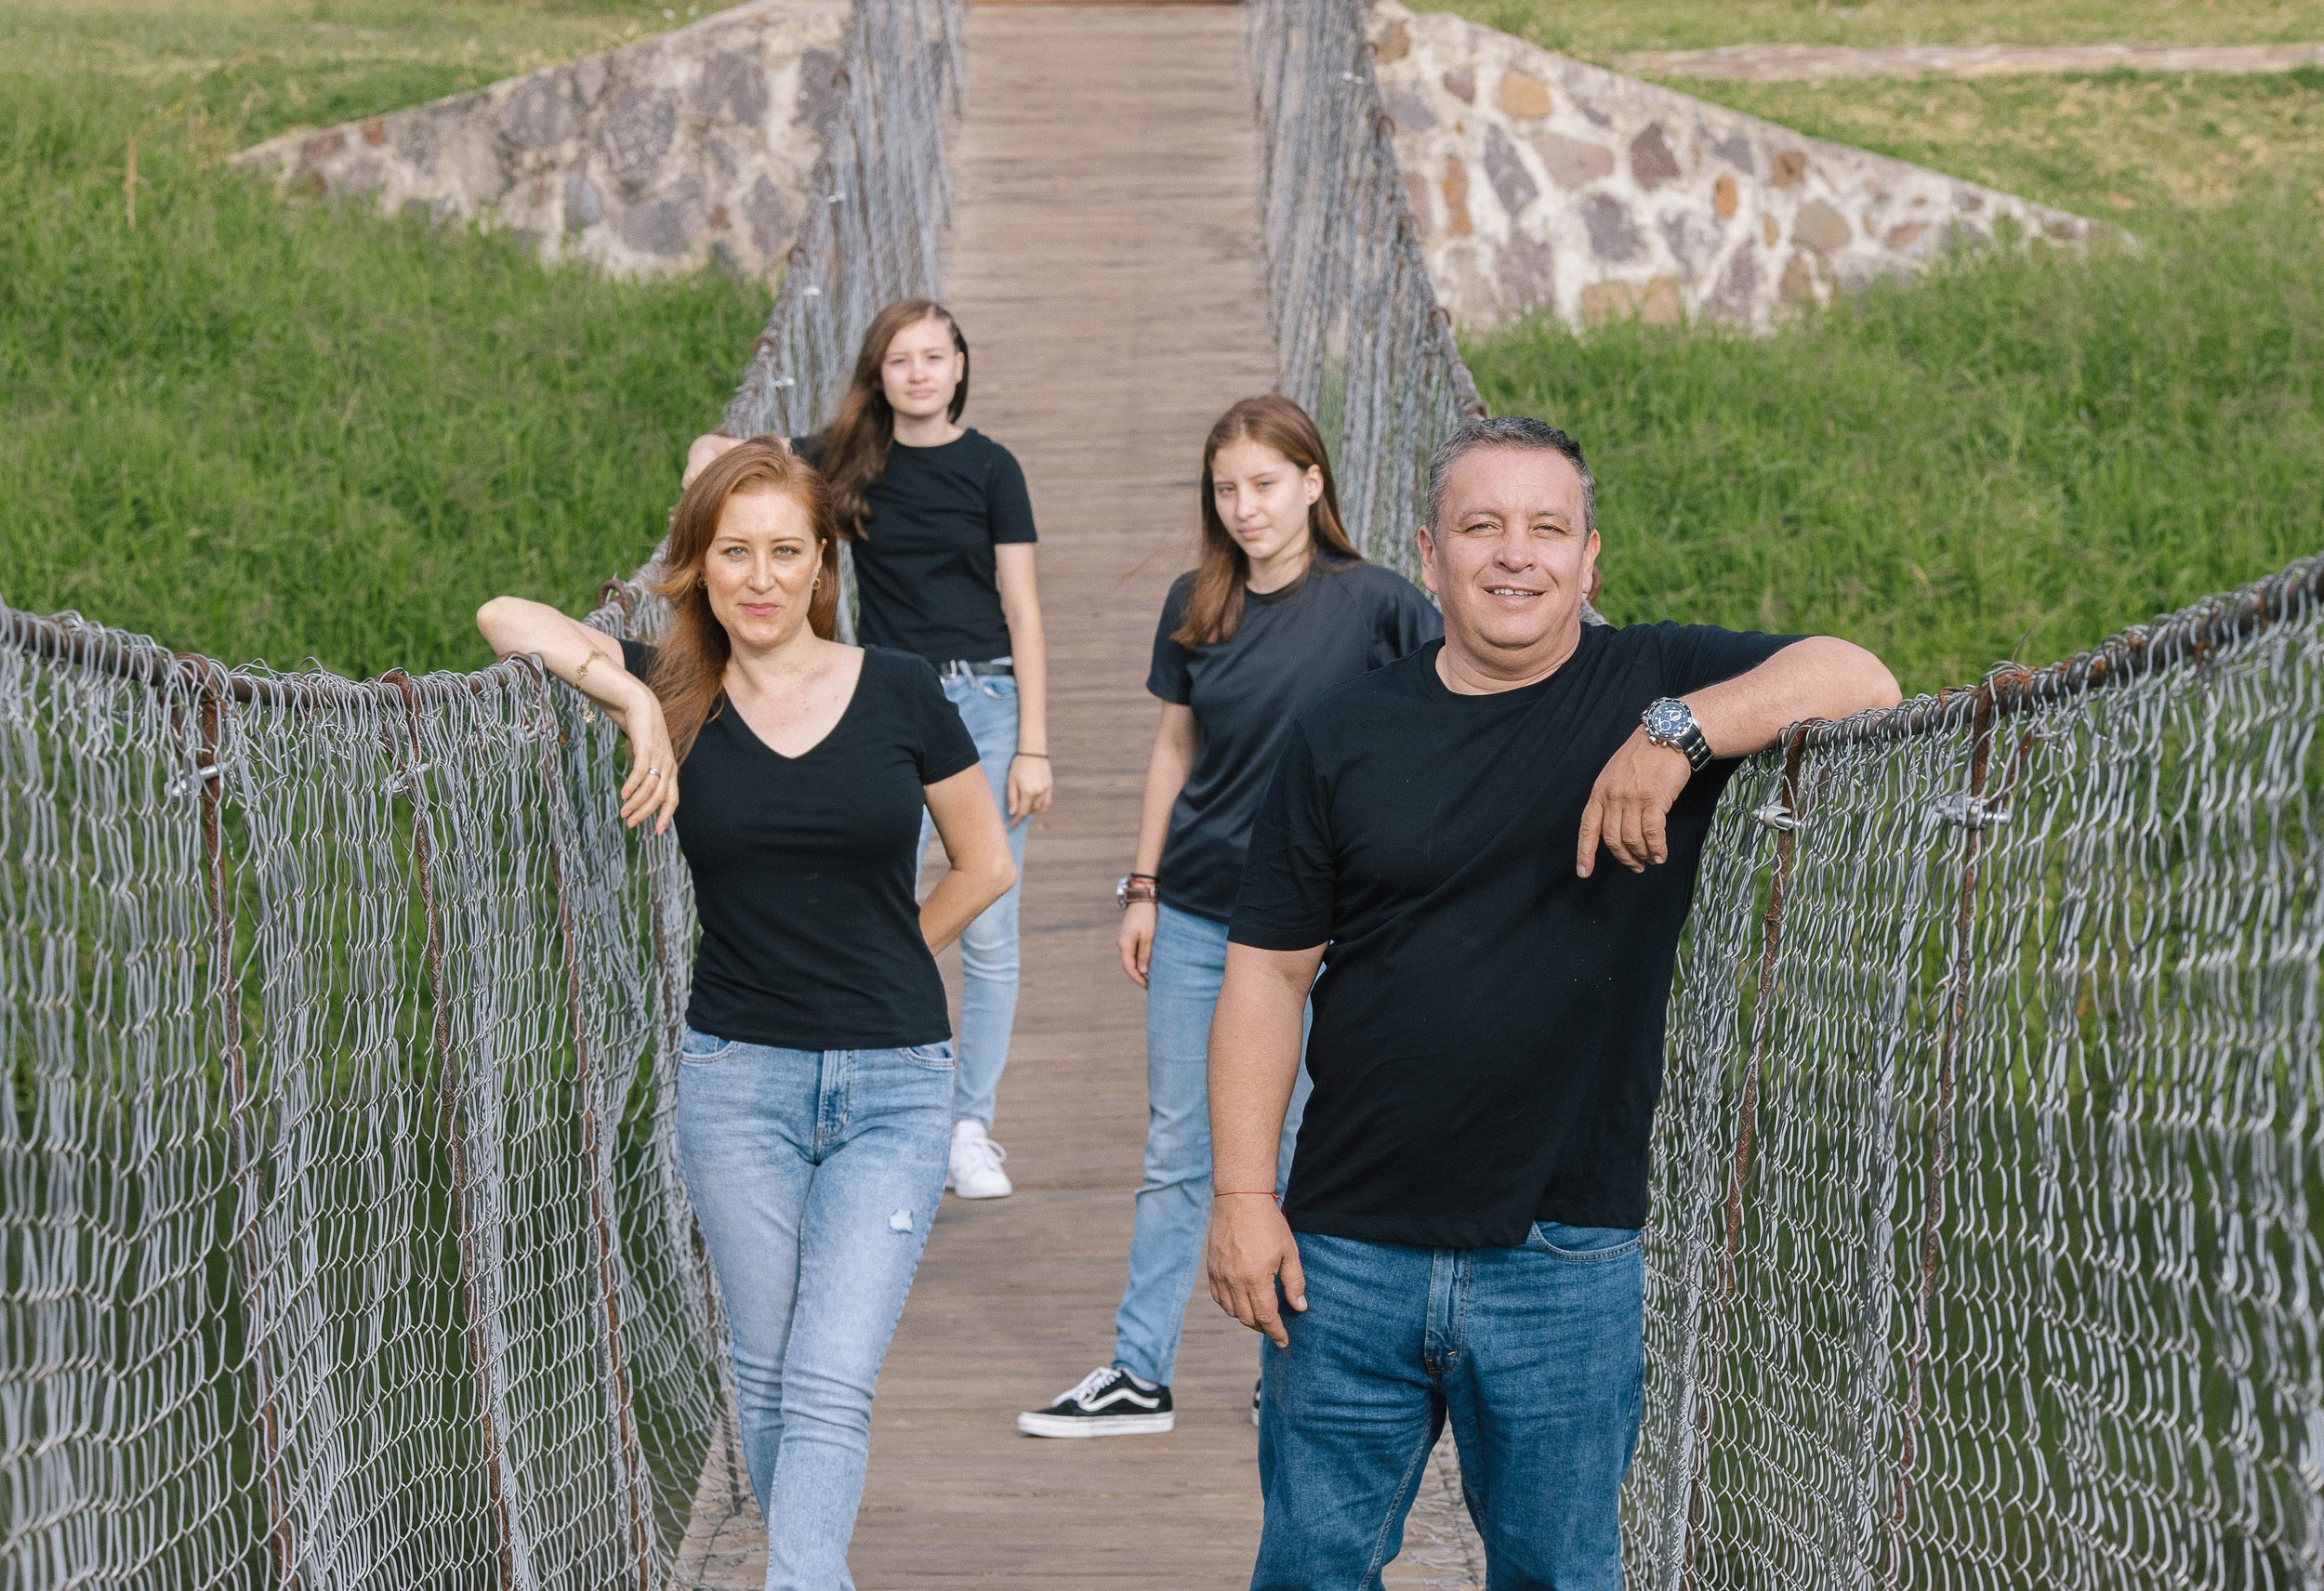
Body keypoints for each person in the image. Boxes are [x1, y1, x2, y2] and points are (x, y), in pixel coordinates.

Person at [1203, 416, 1901, 1587]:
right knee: (1311, 1566)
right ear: (1428, 555)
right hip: (1346, 1247)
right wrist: (1239, 1196)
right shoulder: (1339, 734)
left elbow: (1858, 677)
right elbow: (1268, 972)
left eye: (1546, 528)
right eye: (1480, 526)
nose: (1512, 554)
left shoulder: (1648, 678)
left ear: (1589, 560)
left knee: (1559, 1573)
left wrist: (1675, 734)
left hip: (1561, 1252)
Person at [476, 440, 1016, 1590]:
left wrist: (886, 949)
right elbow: (501, 614)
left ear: (822, 561)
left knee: (827, 1372)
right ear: (698, 564)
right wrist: (629, 695)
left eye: (785, 550)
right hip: (738, 1080)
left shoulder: (903, 688)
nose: (760, 577)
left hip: (893, 1078)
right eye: (734, 552)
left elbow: (984, 864)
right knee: (766, 1373)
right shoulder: (677, 690)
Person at [1017, 396, 1441, 1439]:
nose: (1245, 508)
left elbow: (1441, 723)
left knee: (1298, 1144)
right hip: (1203, 909)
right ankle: (1137, 1370)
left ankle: (1286, 1368)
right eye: (1226, 490)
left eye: (1264, 483)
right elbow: (1175, 750)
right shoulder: (1195, 601)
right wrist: (1142, 885)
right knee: (1176, 1140)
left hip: (1324, 926)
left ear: (1312, 482)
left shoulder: (1381, 603)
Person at [694, 298, 1050, 1201]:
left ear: (961, 367)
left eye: (935, 356)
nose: (920, 373)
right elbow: (715, 463)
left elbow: (1024, 605)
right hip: (886, 697)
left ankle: (969, 1123)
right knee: (886, 885)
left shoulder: (992, 467)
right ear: (878, 374)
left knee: (991, 912)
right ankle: (889, 1074)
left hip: (989, 694)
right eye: (900, 359)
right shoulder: (845, 460)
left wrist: (1034, 743)